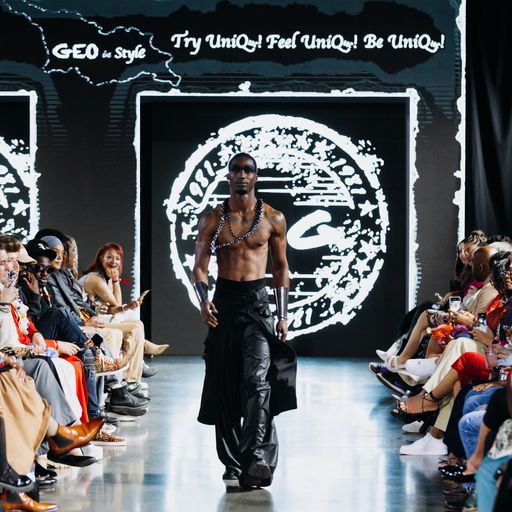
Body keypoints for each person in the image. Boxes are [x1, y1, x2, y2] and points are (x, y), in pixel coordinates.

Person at [192, 152, 297, 488]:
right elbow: (199, 266)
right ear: (228, 176)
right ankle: (232, 461)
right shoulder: (212, 219)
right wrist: (203, 300)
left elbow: (281, 268)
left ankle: (256, 457)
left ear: (256, 177)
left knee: (257, 380)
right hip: (224, 305)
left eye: (247, 170)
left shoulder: (273, 219)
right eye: (235, 170)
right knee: (224, 383)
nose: (241, 175)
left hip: (257, 306)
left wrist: (282, 315)